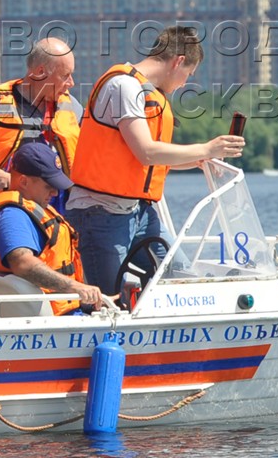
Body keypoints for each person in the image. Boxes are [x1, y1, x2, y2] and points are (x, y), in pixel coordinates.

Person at [67, 24, 245, 294]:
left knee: (181, 279)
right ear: (178, 62)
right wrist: (206, 148)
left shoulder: (147, 92)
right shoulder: (124, 86)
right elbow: (147, 151)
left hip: (138, 213)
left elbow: (153, 158)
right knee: (108, 302)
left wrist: (199, 161)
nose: (185, 83)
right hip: (100, 212)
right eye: (189, 74)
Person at [0, 141, 106, 315]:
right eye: (49, 186)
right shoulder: (11, 216)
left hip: (65, 311)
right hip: (50, 321)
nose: (55, 193)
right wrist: (75, 287)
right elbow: (23, 263)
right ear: (23, 181)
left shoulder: (32, 204)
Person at [0, 37, 81, 200]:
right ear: (40, 72)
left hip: (56, 202)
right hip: (3, 200)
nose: (71, 83)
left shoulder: (71, 106)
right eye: (65, 75)